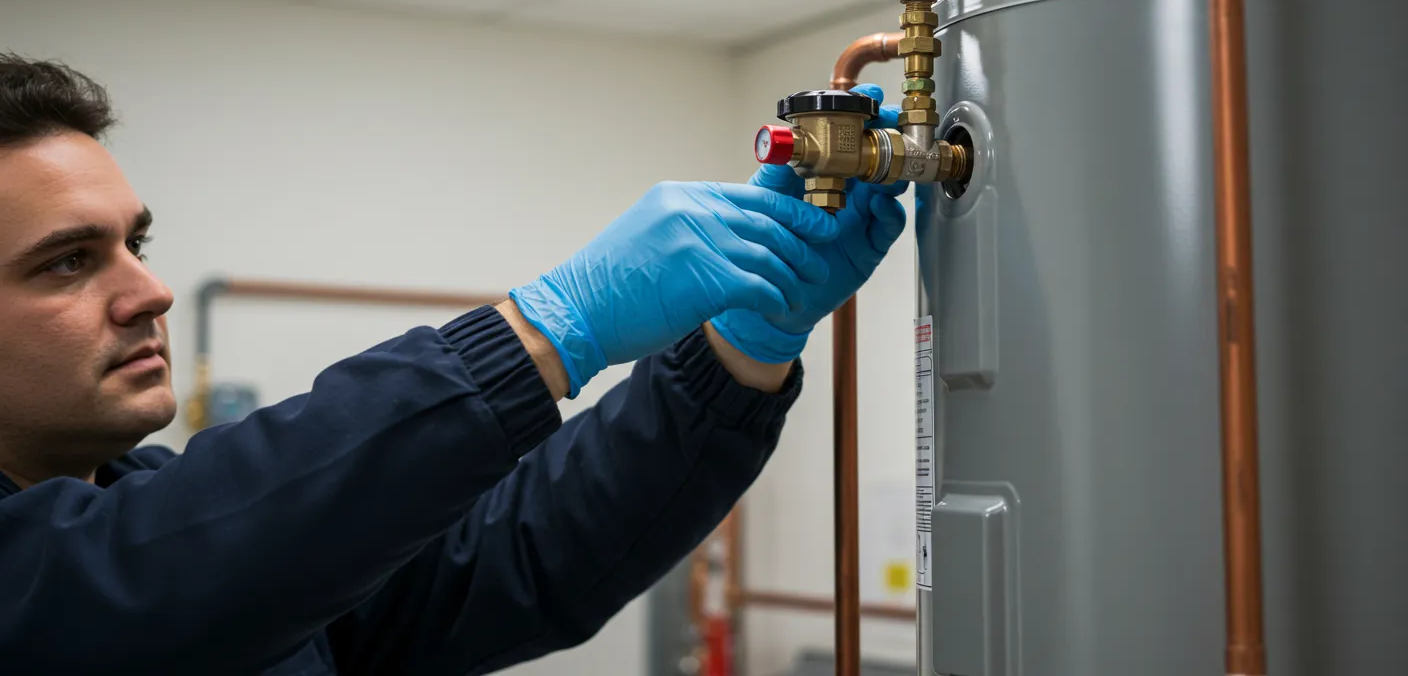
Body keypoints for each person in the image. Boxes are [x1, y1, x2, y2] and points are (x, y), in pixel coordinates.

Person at [0, 52, 908, 675]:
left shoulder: (161, 508)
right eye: (68, 262)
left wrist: (737, 348)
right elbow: (150, 575)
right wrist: (548, 327)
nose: (150, 291)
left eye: (135, 245)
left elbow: (514, 555)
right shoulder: (104, 564)